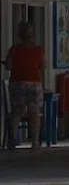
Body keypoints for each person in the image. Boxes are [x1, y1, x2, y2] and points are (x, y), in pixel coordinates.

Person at [4, 22, 44, 151]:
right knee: (34, 112)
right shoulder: (38, 49)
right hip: (34, 83)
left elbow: (9, 66)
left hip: (17, 82)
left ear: (19, 35)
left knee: (17, 112)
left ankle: (12, 140)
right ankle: (34, 143)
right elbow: (42, 65)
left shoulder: (14, 49)